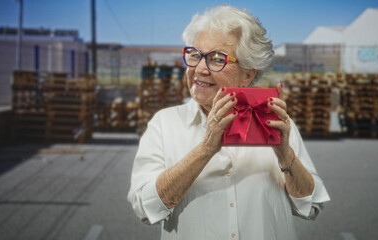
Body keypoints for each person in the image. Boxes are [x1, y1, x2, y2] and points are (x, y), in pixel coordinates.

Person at [128, 5, 330, 240]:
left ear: (248, 74)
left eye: (217, 59)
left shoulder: (278, 125)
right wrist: (205, 150)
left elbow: (311, 206)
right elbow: (144, 208)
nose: (200, 69)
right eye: (195, 55)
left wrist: (286, 155)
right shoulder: (164, 124)